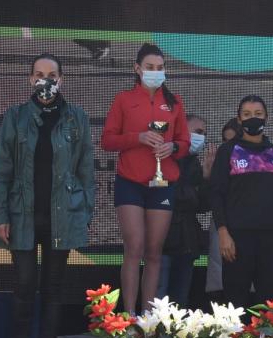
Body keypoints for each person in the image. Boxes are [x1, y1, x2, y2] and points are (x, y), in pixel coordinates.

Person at [0, 54, 95, 338]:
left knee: (52, 294)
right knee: (23, 290)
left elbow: (86, 171)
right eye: (39, 74)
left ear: (61, 79)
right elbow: (1, 170)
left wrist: (85, 213)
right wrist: (1, 215)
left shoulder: (76, 117)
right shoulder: (15, 116)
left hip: (61, 218)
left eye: (51, 75)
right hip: (23, 216)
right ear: (29, 79)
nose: (45, 80)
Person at [102, 43, 189, 313]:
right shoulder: (124, 99)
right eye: (149, 67)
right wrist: (137, 138)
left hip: (162, 183)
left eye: (160, 68)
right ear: (137, 68)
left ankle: (148, 318)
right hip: (130, 182)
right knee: (135, 246)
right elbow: (107, 140)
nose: (155, 72)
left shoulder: (174, 102)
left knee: (154, 251)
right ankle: (128, 315)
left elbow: (185, 142)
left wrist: (172, 147)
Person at [211, 96, 273, 308]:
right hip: (236, 238)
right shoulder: (228, 151)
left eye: (258, 114)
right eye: (247, 115)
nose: (253, 118)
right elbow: (216, 194)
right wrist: (223, 233)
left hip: (271, 237)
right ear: (239, 119)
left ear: (266, 118)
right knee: (236, 302)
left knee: (269, 302)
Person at [158, 114, 207, 307]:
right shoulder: (163, 157)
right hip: (163, 241)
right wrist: (192, 192)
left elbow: (203, 205)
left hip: (188, 243)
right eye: (197, 132)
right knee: (158, 299)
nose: (201, 137)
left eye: (203, 133)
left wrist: (207, 179)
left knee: (180, 301)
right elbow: (166, 196)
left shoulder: (194, 162)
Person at [205, 119, 240, 298]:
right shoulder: (219, 163)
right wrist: (208, 177)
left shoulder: (258, 160)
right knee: (219, 279)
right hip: (221, 227)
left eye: (233, 141)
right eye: (225, 142)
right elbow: (204, 204)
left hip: (249, 228)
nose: (229, 147)